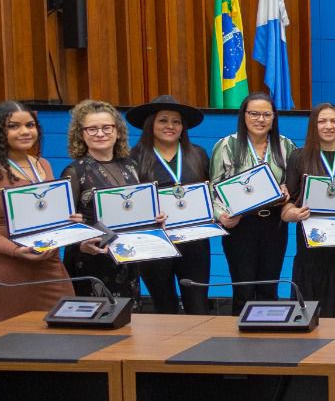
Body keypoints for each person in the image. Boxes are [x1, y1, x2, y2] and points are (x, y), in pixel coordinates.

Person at [0, 100, 72, 319]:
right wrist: (14, 249)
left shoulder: (43, 165)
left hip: (49, 265)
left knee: (68, 331)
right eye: (14, 126)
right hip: (9, 269)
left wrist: (68, 220)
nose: (25, 132)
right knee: (26, 343)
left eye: (30, 125)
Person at [127, 95, 211, 314]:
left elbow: (211, 192)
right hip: (155, 241)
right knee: (163, 305)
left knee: (198, 304)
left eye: (176, 121)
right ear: (150, 124)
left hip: (194, 241)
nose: (170, 126)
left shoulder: (198, 154)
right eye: (163, 120)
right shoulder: (133, 158)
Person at [211, 92, 295, 307]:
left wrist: (288, 193)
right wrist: (221, 215)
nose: (260, 119)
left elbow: (293, 187)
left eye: (266, 114)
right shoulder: (226, 145)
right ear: (244, 116)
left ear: (274, 117)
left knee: (269, 286)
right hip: (240, 225)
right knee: (243, 288)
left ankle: (270, 336)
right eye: (254, 114)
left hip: (273, 225)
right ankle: (240, 339)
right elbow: (214, 189)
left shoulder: (286, 146)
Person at [283, 103, 335, 317]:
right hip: (312, 247)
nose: (329, 126)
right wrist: (293, 213)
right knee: (312, 308)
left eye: (334, 121)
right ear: (313, 125)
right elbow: (287, 206)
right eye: (322, 121)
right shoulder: (299, 157)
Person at [61, 100, 147, 299]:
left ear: (117, 132)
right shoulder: (74, 172)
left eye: (106, 127)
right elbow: (64, 227)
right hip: (92, 261)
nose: (100, 134)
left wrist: (154, 217)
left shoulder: (130, 166)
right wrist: (81, 245)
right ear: (81, 134)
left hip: (127, 259)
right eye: (92, 129)